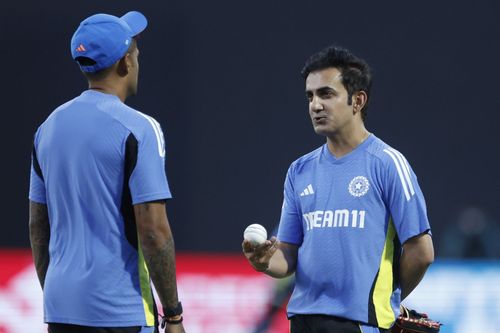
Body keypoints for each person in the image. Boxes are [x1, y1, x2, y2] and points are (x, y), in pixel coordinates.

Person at [242, 45, 434, 333]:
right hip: (303, 321)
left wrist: (386, 301)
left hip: (360, 323)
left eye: (326, 94)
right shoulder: (299, 171)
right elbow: (287, 256)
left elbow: (422, 252)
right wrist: (265, 263)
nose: (315, 105)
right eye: (310, 96)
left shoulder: (388, 163)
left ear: (357, 100)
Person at [28, 11, 185, 333]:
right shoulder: (140, 128)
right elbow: (154, 232)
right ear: (126, 62)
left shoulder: (47, 129)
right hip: (121, 312)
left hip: (61, 309)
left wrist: (60, 298)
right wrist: (173, 315)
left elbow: (38, 226)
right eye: (137, 53)